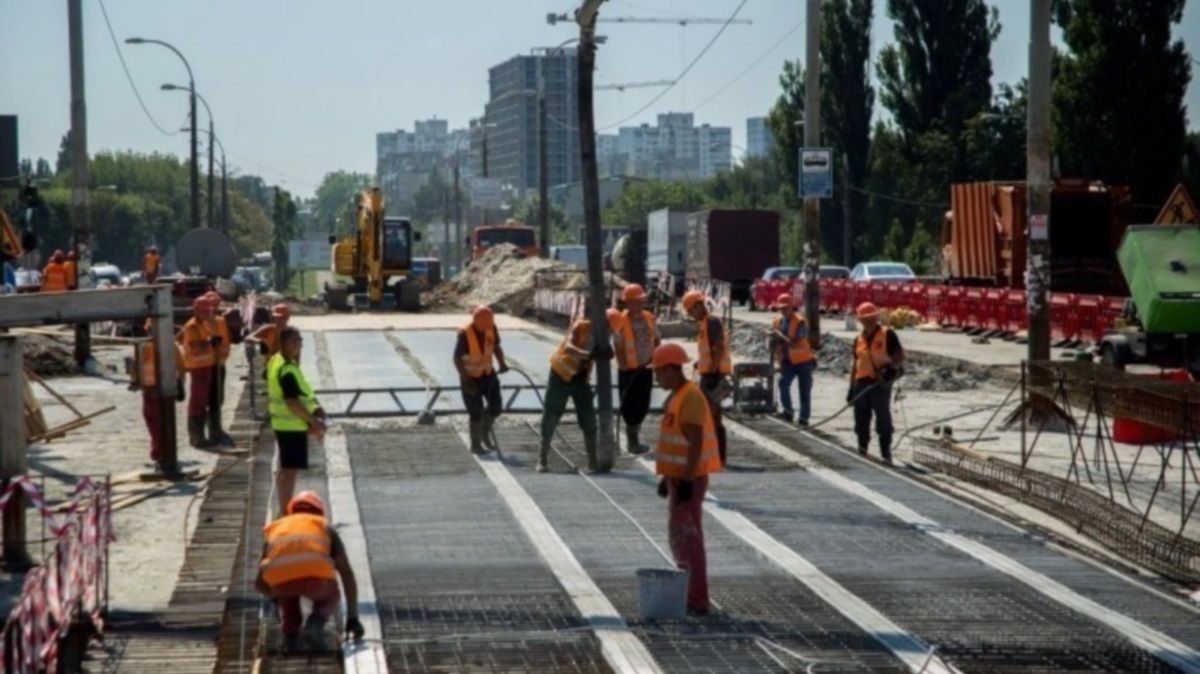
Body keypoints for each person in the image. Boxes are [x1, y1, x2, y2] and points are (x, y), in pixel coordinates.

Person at [651, 343, 721, 616]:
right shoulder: (679, 395)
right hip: (678, 478)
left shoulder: (689, 396)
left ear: (671, 369)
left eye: (659, 373)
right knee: (680, 538)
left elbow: (694, 444)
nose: (657, 379)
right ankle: (689, 594)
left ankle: (697, 599)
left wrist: (688, 480)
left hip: (687, 480)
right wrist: (667, 477)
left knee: (689, 540)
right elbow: (676, 440)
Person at [256, 491, 363, 653]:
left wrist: (275, 598)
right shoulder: (324, 527)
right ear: (320, 512)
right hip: (317, 585)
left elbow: (258, 583)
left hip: (282, 585)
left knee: (287, 591)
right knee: (332, 593)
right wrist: (353, 618)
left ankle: (290, 636)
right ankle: (315, 623)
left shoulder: (276, 528)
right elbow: (347, 574)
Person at [536, 301, 608, 474]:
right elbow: (568, 347)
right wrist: (588, 354)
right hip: (560, 375)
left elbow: (608, 352)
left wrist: (606, 352)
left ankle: (592, 462)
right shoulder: (581, 326)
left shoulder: (605, 335)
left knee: (588, 418)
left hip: (580, 380)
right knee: (551, 416)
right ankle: (542, 459)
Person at [267, 327, 326, 514]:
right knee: (289, 471)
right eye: (294, 341)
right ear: (283, 343)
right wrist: (313, 421)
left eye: (300, 340)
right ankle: (285, 511)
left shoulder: (276, 361)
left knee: (285, 469)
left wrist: (314, 407)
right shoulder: (287, 369)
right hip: (291, 424)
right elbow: (292, 402)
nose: (298, 344)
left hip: (283, 423)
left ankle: (282, 507)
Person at [848, 302, 905, 464]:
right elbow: (855, 364)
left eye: (870, 318)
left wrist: (889, 370)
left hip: (880, 383)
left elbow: (899, 356)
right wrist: (851, 388)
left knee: (883, 418)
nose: (867, 321)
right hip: (861, 382)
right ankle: (862, 449)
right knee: (861, 418)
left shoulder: (888, 334)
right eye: (864, 319)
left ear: (875, 317)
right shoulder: (858, 339)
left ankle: (885, 453)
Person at [682, 290, 731, 466]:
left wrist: (711, 369)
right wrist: (701, 363)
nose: (690, 315)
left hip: (713, 375)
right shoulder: (705, 323)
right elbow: (710, 350)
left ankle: (717, 455)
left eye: (690, 311)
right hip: (708, 373)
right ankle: (715, 454)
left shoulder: (711, 322)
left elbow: (719, 348)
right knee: (711, 416)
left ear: (697, 306)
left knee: (713, 416)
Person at [454, 305, 509, 454]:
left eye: (489, 324)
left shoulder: (491, 328)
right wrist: (466, 380)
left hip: (488, 373)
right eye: (484, 325)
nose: (487, 328)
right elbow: (457, 358)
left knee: (496, 407)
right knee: (475, 411)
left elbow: (496, 346)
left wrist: (502, 363)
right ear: (477, 323)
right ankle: (475, 444)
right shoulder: (465, 334)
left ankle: (484, 433)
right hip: (470, 377)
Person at [617, 284, 660, 454]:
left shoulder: (649, 318)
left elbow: (656, 340)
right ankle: (632, 440)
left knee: (643, 404)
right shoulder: (621, 320)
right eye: (634, 302)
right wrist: (624, 366)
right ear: (627, 303)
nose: (638, 305)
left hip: (646, 368)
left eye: (640, 301)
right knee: (629, 407)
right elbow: (618, 345)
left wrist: (657, 360)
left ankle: (635, 435)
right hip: (628, 371)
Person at [137, 317, 183, 470]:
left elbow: (181, 367)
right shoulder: (145, 346)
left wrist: (181, 385)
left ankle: (159, 454)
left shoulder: (169, 346)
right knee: (153, 422)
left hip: (161, 391)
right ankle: (159, 452)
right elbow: (137, 368)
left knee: (159, 424)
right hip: (149, 390)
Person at [178, 297, 218, 448]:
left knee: (202, 402)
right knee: (197, 402)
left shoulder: (203, 324)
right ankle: (196, 437)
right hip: (198, 368)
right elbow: (197, 346)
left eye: (208, 311)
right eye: (204, 311)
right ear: (196, 311)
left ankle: (200, 436)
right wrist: (210, 341)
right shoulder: (192, 326)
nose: (207, 314)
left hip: (205, 367)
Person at [771, 294, 816, 425]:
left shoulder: (800, 321)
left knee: (804, 391)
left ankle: (804, 418)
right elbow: (776, 341)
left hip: (804, 361)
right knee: (783, 384)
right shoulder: (778, 322)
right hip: (788, 361)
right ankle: (788, 412)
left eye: (786, 307)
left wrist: (779, 335)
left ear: (792, 306)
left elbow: (794, 343)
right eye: (781, 308)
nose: (784, 310)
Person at [203, 291, 235, 447]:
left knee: (219, 398)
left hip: (219, 366)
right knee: (210, 399)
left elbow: (226, 343)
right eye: (211, 305)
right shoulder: (199, 323)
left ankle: (216, 428)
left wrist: (222, 358)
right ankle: (211, 432)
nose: (214, 308)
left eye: (216, 305)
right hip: (206, 367)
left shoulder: (220, 321)